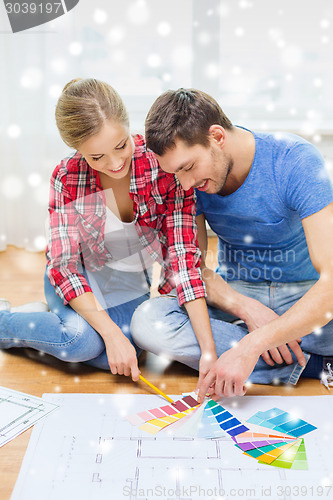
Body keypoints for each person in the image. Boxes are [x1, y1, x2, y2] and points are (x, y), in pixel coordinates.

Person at [0, 79, 218, 383]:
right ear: (78, 150)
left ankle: (45, 320)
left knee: (123, 354)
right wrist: (111, 334)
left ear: (128, 126)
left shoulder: (162, 165)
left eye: (121, 146)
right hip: (78, 276)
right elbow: (65, 267)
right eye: (97, 157)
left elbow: (182, 256)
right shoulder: (67, 177)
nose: (115, 163)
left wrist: (207, 350)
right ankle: (7, 322)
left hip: (125, 278)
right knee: (81, 342)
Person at [131, 87, 333, 398]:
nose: (184, 184)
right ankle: (310, 361)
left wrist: (253, 342)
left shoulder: (295, 160)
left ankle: (256, 354)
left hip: (305, 295)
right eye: (175, 173)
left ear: (217, 137)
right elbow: (191, 269)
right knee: (148, 321)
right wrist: (247, 308)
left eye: (187, 167)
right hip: (237, 294)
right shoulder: (187, 184)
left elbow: (330, 282)